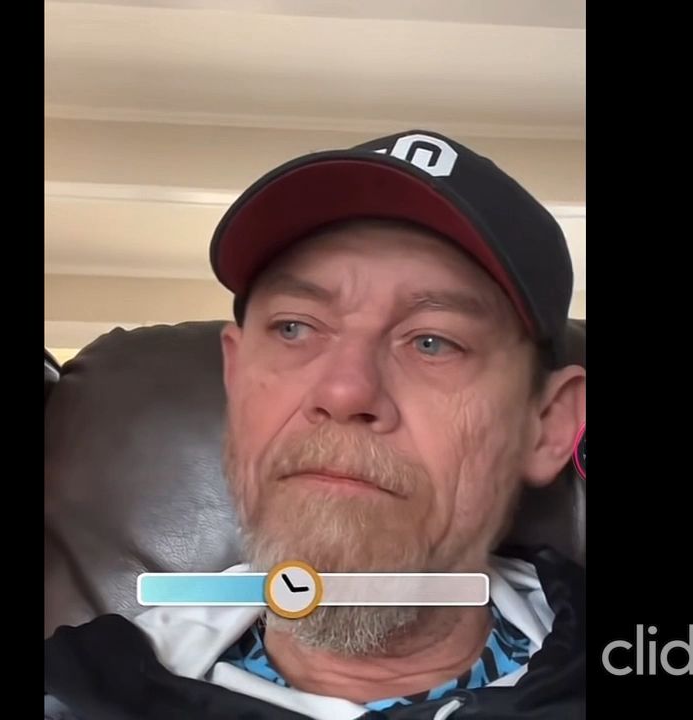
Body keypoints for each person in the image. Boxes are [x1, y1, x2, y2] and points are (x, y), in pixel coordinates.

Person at [44, 130, 587, 720]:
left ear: (548, 425)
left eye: (433, 342)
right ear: (236, 378)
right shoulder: (75, 694)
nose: (344, 391)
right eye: (295, 328)